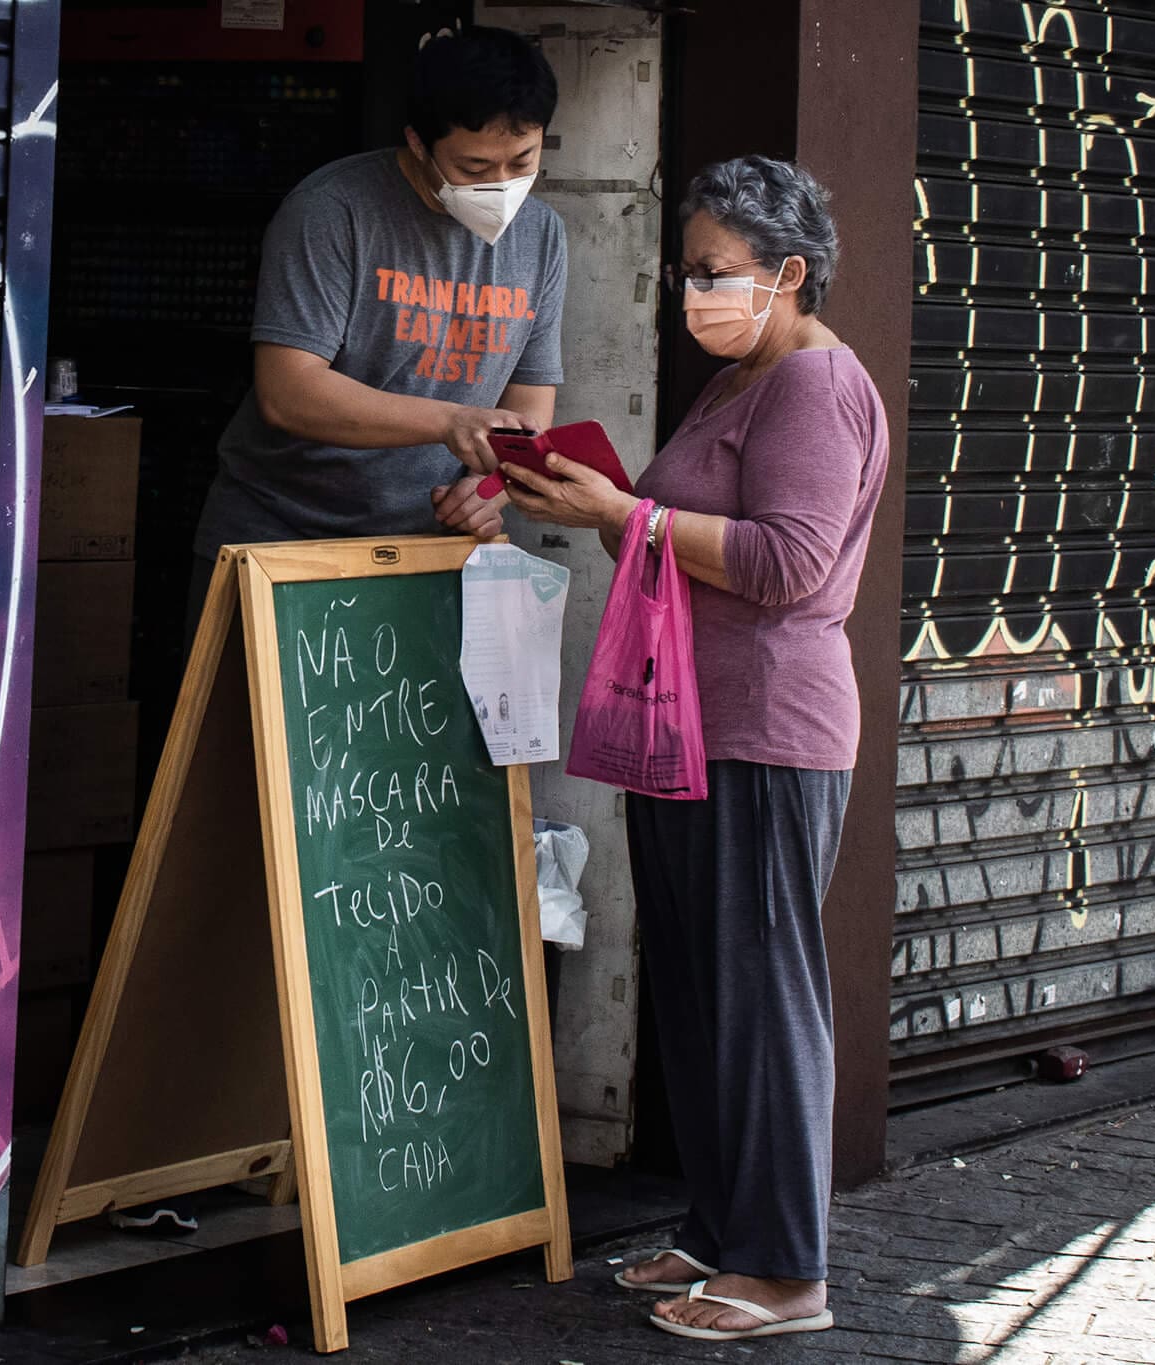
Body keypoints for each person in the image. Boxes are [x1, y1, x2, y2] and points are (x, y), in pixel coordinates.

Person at [500, 155, 888, 1342]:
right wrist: (596, 505)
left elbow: (784, 565)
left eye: (716, 273)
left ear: (789, 273)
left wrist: (621, 514)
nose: (693, 293)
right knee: (700, 995)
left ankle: (783, 1274)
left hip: (766, 732)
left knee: (761, 998)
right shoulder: (736, 383)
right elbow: (687, 544)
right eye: (686, 271)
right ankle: (721, 1235)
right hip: (688, 722)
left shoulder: (814, 388)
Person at [185, 25, 568, 629]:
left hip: (431, 552)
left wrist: (486, 488)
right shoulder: (332, 211)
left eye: (522, 161)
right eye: (473, 166)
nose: (501, 184)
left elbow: (528, 408)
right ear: (418, 143)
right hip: (282, 546)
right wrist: (449, 421)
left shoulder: (542, 236)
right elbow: (288, 392)